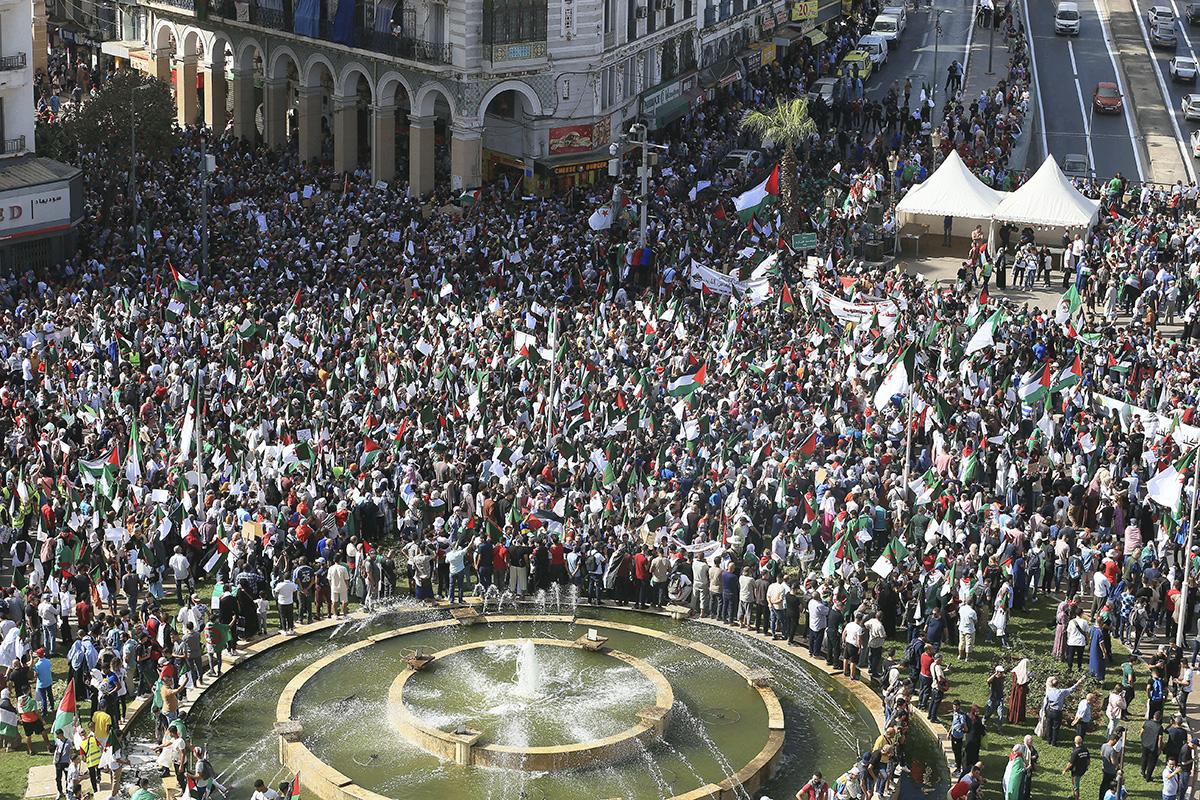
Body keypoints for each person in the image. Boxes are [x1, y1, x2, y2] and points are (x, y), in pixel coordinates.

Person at [1063, 734, 1090, 800]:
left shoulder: (1075, 752)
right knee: (1074, 783)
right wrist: (1087, 767)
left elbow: (1070, 764)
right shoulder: (1085, 749)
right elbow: (1088, 760)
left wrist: (1065, 770)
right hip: (1083, 769)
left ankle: (1076, 798)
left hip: (1076, 771)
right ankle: (1074, 796)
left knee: (1076, 786)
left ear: (1075, 742)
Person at [1142, 711, 1164, 781]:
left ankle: (1143, 771)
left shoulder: (1147, 722)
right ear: (1160, 718)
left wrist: (1143, 740)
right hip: (1153, 747)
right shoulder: (1159, 727)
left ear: (1154, 716)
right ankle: (1148, 777)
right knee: (1152, 762)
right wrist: (1159, 749)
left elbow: (1141, 732)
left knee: (1144, 758)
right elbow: (1160, 739)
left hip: (1145, 744)